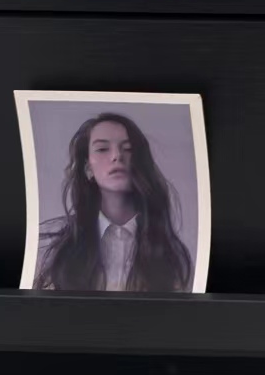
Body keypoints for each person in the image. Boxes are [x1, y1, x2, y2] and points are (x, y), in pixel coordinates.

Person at [32, 113, 193, 292]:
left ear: (140, 162)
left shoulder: (169, 253)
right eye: (102, 149)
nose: (117, 156)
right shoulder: (55, 246)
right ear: (88, 168)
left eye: (128, 149)